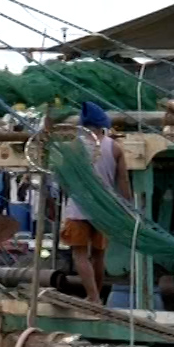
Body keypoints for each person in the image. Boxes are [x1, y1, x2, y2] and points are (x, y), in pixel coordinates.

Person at [61, 101, 132, 304]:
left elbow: (65, 178)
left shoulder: (74, 146)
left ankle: (92, 297)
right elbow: (123, 181)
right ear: (103, 124)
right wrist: (126, 207)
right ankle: (97, 295)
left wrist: (70, 194)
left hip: (78, 209)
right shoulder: (115, 148)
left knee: (80, 255)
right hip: (104, 210)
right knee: (99, 255)